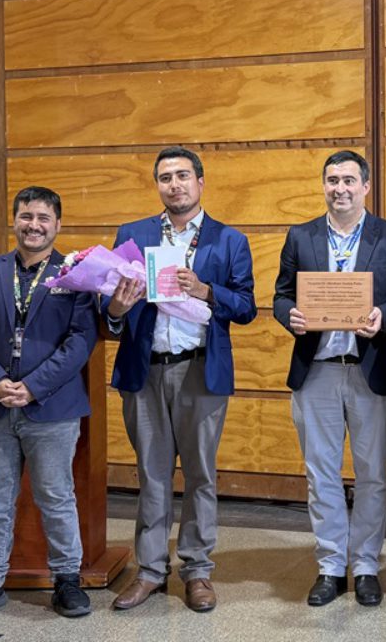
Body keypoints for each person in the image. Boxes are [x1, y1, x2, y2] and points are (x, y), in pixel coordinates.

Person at [104, 146, 257, 613]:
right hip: (145, 369)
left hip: (199, 370)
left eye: (183, 176)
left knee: (200, 474)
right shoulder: (133, 234)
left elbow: (246, 307)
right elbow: (107, 303)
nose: (175, 185)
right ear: (158, 185)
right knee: (151, 475)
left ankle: (197, 570)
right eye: (166, 177)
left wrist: (207, 291)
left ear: (200, 182)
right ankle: (150, 571)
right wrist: (116, 308)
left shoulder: (229, 240)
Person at [273, 150, 386, 607]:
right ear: (324, 185)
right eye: (332, 180)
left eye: (349, 180)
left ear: (366, 186)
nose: (340, 188)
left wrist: (383, 315)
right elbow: (281, 295)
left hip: (370, 370)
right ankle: (331, 566)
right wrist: (290, 315)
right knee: (321, 474)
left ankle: (366, 565)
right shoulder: (301, 235)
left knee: (373, 474)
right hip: (316, 370)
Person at [0, 186, 97, 622]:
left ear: (58, 225)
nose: (34, 225)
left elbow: (80, 341)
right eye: (26, 216)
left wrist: (33, 386)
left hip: (51, 408)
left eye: (43, 218)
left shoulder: (77, 275)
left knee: (56, 497)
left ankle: (67, 580)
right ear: (14, 220)